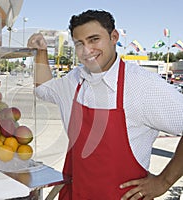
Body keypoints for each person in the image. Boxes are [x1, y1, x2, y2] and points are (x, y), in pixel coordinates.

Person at [27, 9, 183, 199]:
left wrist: (164, 182)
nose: (86, 51)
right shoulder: (75, 79)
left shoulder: (143, 85)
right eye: (79, 43)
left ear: (114, 37)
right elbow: (43, 89)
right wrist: (40, 52)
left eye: (94, 39)